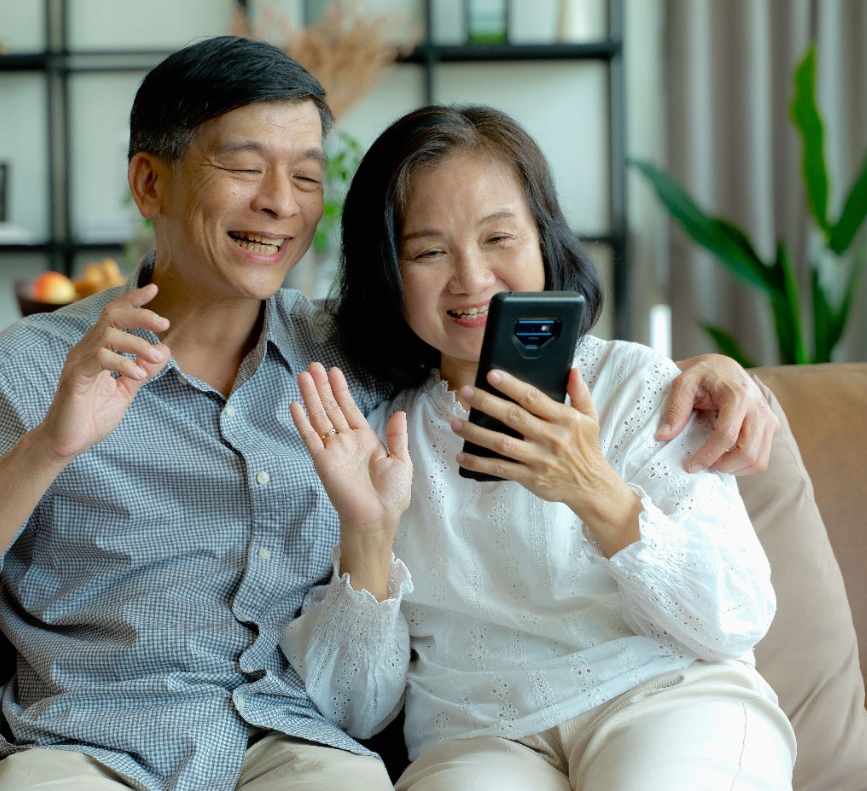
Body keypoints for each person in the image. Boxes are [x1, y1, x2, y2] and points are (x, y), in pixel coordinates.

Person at [0, 37, 778, 791]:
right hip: (92, 741)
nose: (280, 206)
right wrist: (48, 449)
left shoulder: (356, 356)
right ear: (150, 185)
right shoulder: (30, 371)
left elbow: (496, 342)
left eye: (305, 177)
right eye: (245, 168)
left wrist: (722, 376)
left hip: (294, 741)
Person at [281, 104, 797, 790]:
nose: (471, 277)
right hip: (476, 735)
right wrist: (369, 537)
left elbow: (732, 618)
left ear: (544, 240)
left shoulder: (637, 386)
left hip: (664, 695)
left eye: (499, 237)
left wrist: (595, 488)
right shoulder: (376, 434)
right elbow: (354, 706)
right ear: (387, 270)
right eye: (430, 251)